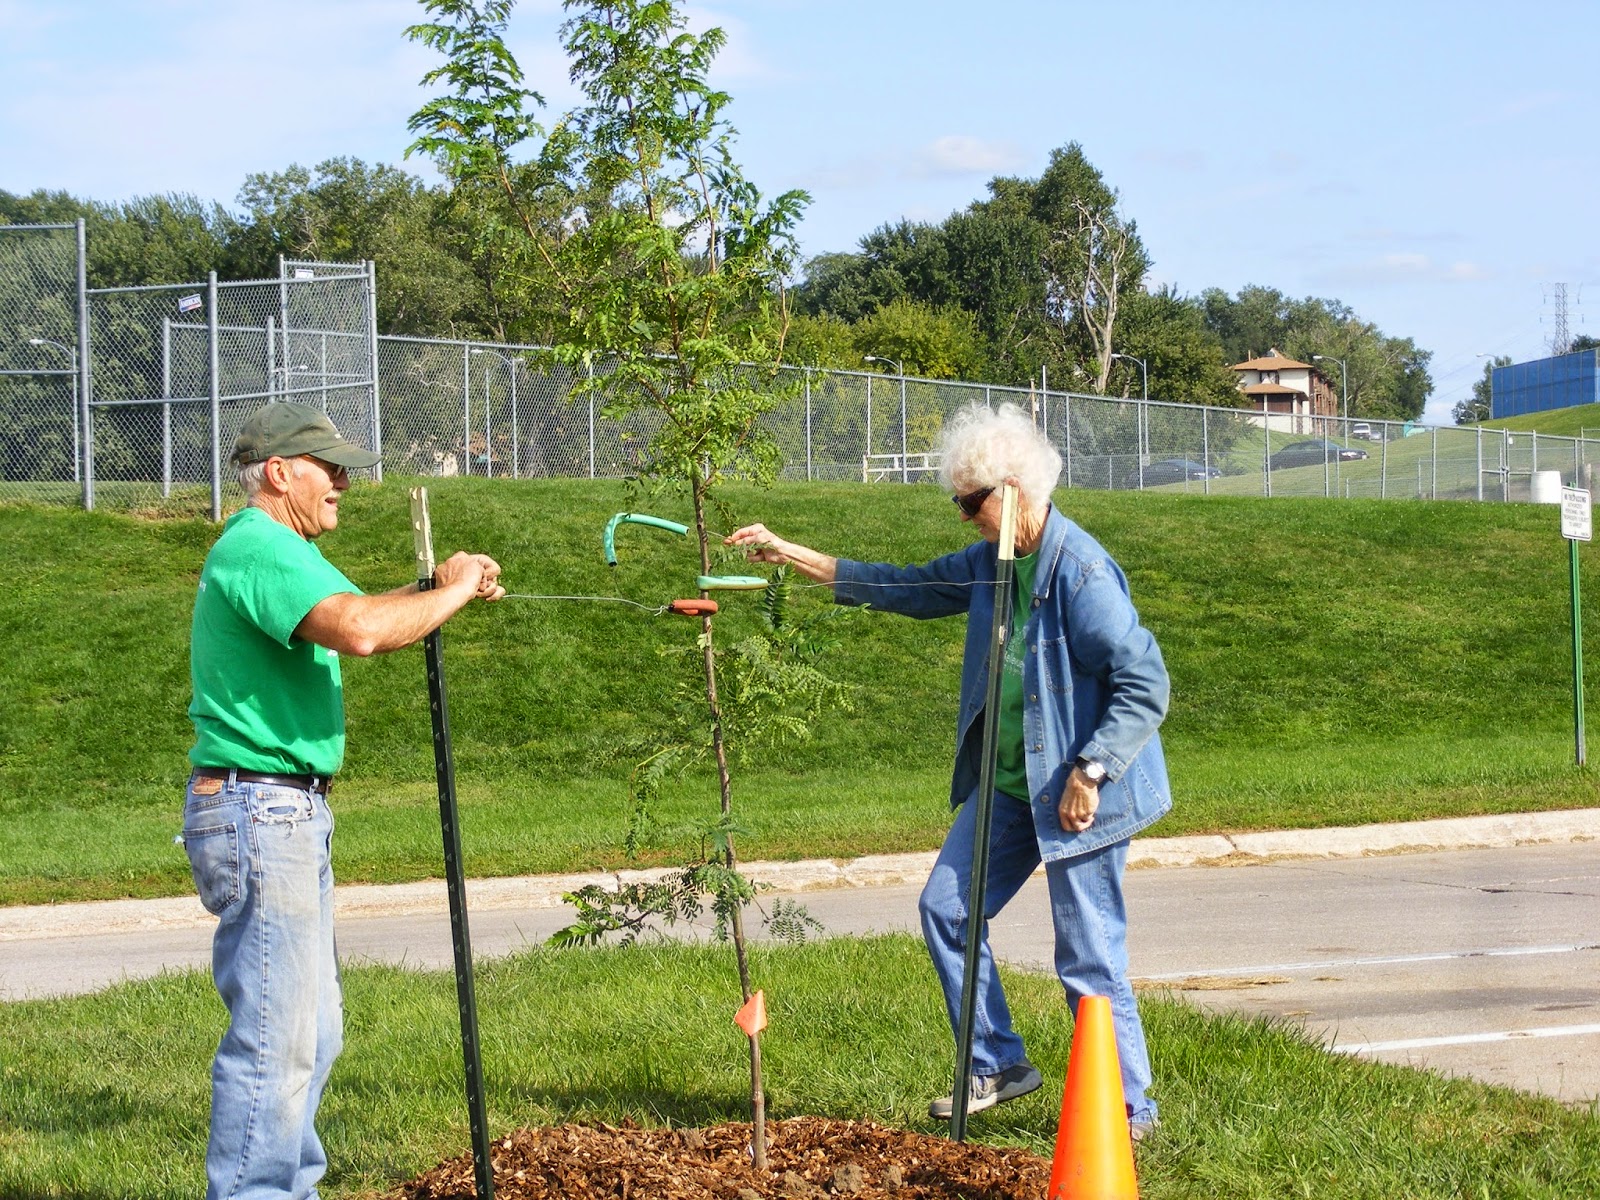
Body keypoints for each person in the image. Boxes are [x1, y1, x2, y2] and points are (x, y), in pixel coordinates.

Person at [726, 402, 1170, 1139]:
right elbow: (899, 585)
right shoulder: (989, 566)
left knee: (1089, 958)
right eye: (959, 504)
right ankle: (999, 1060)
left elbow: (1144, 682)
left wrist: (1090, 772)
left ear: (1016, 491)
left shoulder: (1081, 573)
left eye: (972, 503)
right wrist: (790, 554)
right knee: (946, 909)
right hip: (1009, 786)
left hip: (1080, 794)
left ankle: (1130, 1113)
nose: (964, 518)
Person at [183, 400, 505, 1200]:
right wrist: (455, 593)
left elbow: (358, 615)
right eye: (330, 469)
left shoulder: (279, 551)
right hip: (262, 811)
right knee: (277, 1042)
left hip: (284, 812)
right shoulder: (257, 544)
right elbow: (361, 630)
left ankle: (289, 1189)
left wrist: (432, 588)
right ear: (279, 472)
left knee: (312, 1035)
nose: (346, 484)